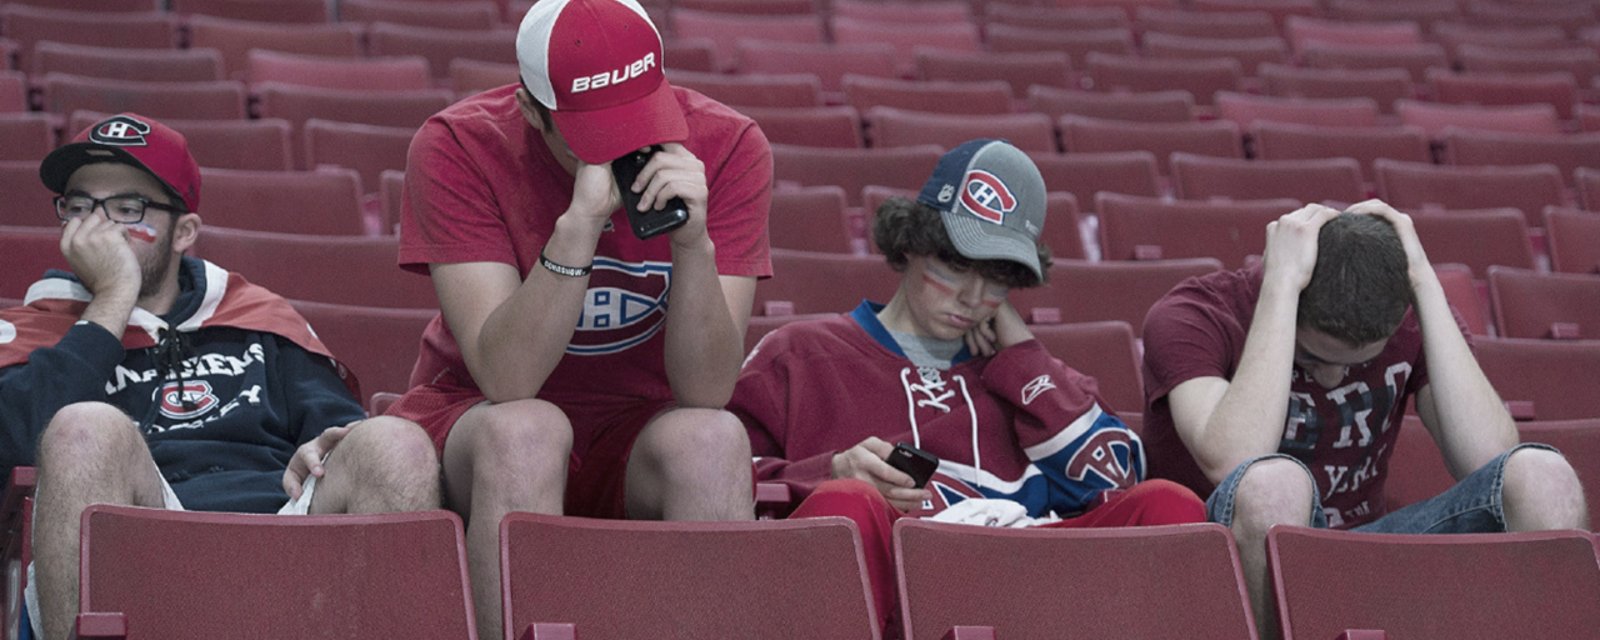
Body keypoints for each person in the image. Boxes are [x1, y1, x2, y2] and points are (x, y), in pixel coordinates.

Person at [385, 0, 772, 635]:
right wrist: (578, 227)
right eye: (595, 134)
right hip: (482, 419)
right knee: (527, 431)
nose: (627, 149)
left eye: (640, 119)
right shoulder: (457, 143)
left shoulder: (728, 144)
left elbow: (706, 391)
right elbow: (506, 380)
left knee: (713, 440)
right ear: (531, 110)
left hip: (639, 423)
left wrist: (694, 247)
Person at [729, 139, 1207, 634]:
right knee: (849, 502)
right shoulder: (799, 352)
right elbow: (723, 483)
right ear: (911, 243)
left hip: (1030, 575)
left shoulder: (1027, 374)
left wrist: (1022, 355)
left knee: (1172, 505)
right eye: (957, 266)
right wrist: (826, 471)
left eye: (997, 279)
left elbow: (1114, 478)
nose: (974, 297)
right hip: (892, 575)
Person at [0, 113, 442, 640]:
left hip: (283, 534)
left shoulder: (256, 317)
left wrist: (325, 446)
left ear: (184, 231)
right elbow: (14, 451)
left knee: (396, 441)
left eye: (126, 207)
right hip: (136, 539)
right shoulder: (33, 328)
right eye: (79, 207)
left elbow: (339, 433)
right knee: (83, 429)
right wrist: (112, 301)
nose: (100, 228)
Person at [1141, 200, 1589, 639]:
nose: (1334, 377)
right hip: (1228, 566)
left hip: (1364, 551)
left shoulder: (1408, 318)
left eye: (1357, 363)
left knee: (1544, 477)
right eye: (1313, 357)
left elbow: (1488, 457)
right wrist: (1279, 287)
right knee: (1272, 485)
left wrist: (1422, 279)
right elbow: (1234, 458)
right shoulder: (1194, 314)